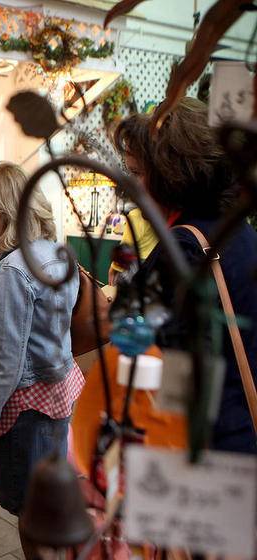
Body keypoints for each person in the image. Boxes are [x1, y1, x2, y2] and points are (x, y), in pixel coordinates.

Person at [114, 97, 257, 454]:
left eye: (137, 173)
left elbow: (175, 393)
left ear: (169, 176)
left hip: (211, 458)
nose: (133, 189)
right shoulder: (237, 232)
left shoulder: (184, 251)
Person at [0, 163, 84, 543]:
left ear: (6, 211)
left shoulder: (13, 271)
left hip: (25, 412)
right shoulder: (58, 254)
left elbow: (5, 366)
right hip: (58, 399)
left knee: (32, 516)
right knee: (49, 509)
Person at [107, 200, 159, 286]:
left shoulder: (136, 214)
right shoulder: (156, 213)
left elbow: (127, 244)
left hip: (135, 265)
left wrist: (114, 267)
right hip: (153, 262)